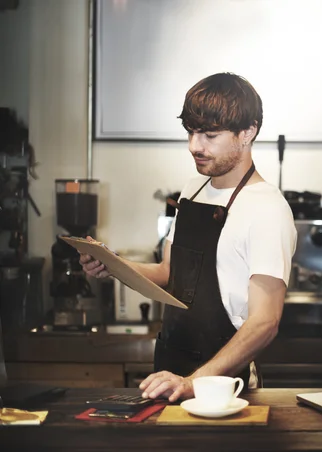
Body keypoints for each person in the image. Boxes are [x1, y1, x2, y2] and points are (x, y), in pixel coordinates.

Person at [79, 73, 297, 402]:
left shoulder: (267, 208)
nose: (196, 146)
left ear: (248, 132)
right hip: (170, 371)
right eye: (192, 133)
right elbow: (170, 273)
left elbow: (265, 321)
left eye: (210, 135)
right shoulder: (192, 189)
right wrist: (114, 265)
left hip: (224, 387)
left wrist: (195, 382)